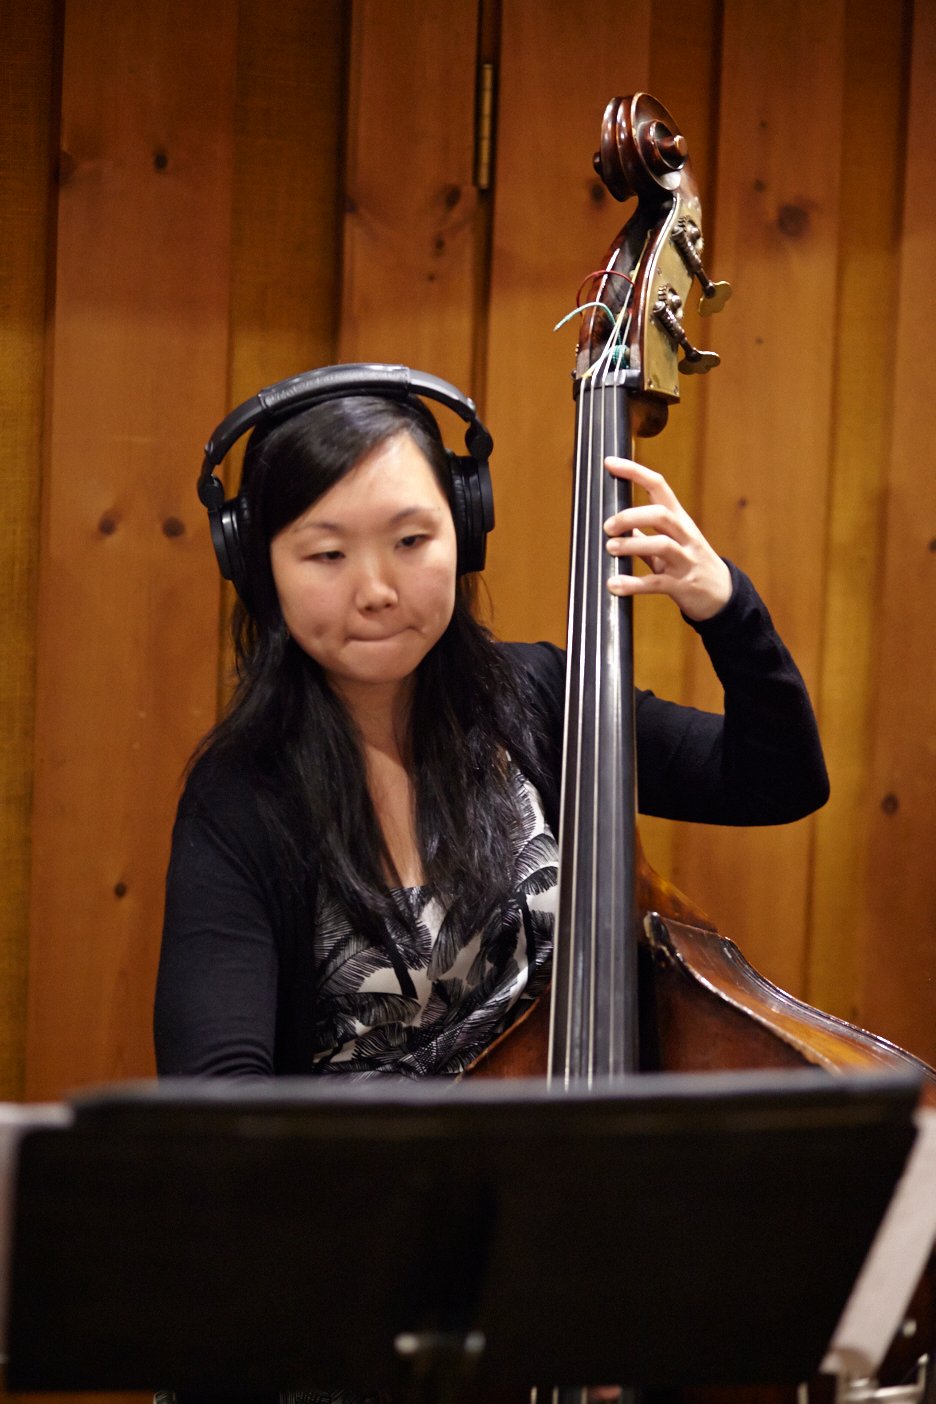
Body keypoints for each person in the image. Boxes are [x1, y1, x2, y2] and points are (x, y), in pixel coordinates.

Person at [154, 370, 829, 1084]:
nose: (377, 591)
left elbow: (779, 780)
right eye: (328, 555)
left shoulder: (534, 699)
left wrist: (724, 607)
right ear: (260, 570)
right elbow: (216, 1095)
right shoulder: (240, 799)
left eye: (411, 540)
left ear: (464, 531)